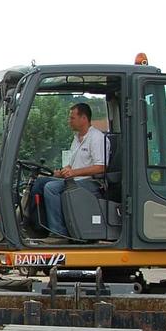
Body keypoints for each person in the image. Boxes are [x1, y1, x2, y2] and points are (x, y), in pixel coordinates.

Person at [30, 102, 107, 241]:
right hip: (74, 180)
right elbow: (71, 166)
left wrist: (73, 173)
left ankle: (59, 232)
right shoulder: (76, 139)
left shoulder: (96, 138)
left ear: (83, 118)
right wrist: (60, 172)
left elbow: (101, 167)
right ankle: (38, 226)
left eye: (72, 118)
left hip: (91, 182)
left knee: (51, 188)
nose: (69, 121)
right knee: (40, 183)